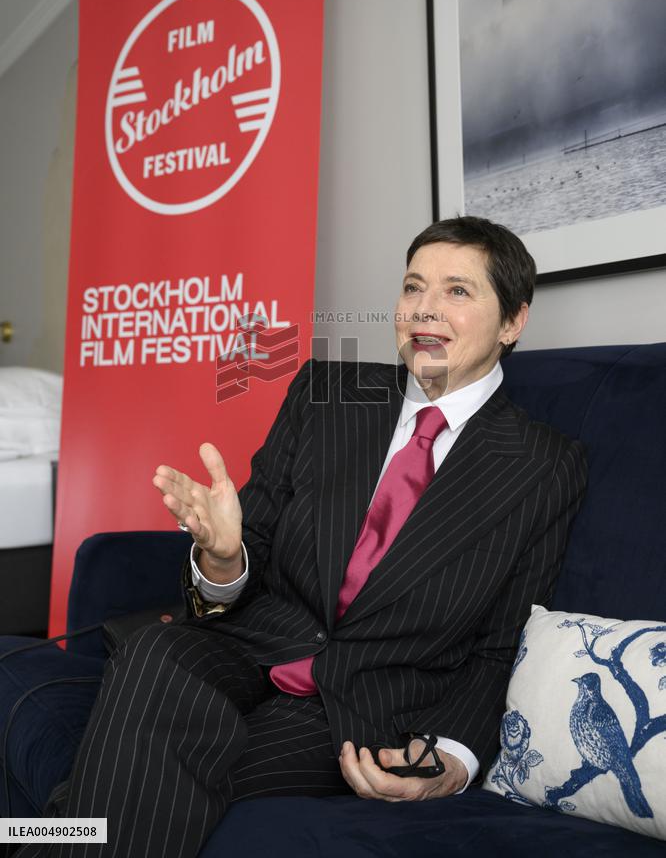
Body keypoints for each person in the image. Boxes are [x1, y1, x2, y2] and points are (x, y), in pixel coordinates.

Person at [16, 216, 586, 858]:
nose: (424, 309)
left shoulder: (543, 464)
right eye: (412, 286)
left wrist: (453, 756)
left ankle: (35, 838)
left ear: (513, 321)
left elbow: (501, 643)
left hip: (358, 709)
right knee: (155, 652)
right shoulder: (325, 392)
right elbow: (247, 544)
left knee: (148, 787)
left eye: (457, 291)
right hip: (249, 644)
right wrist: (224, 556)